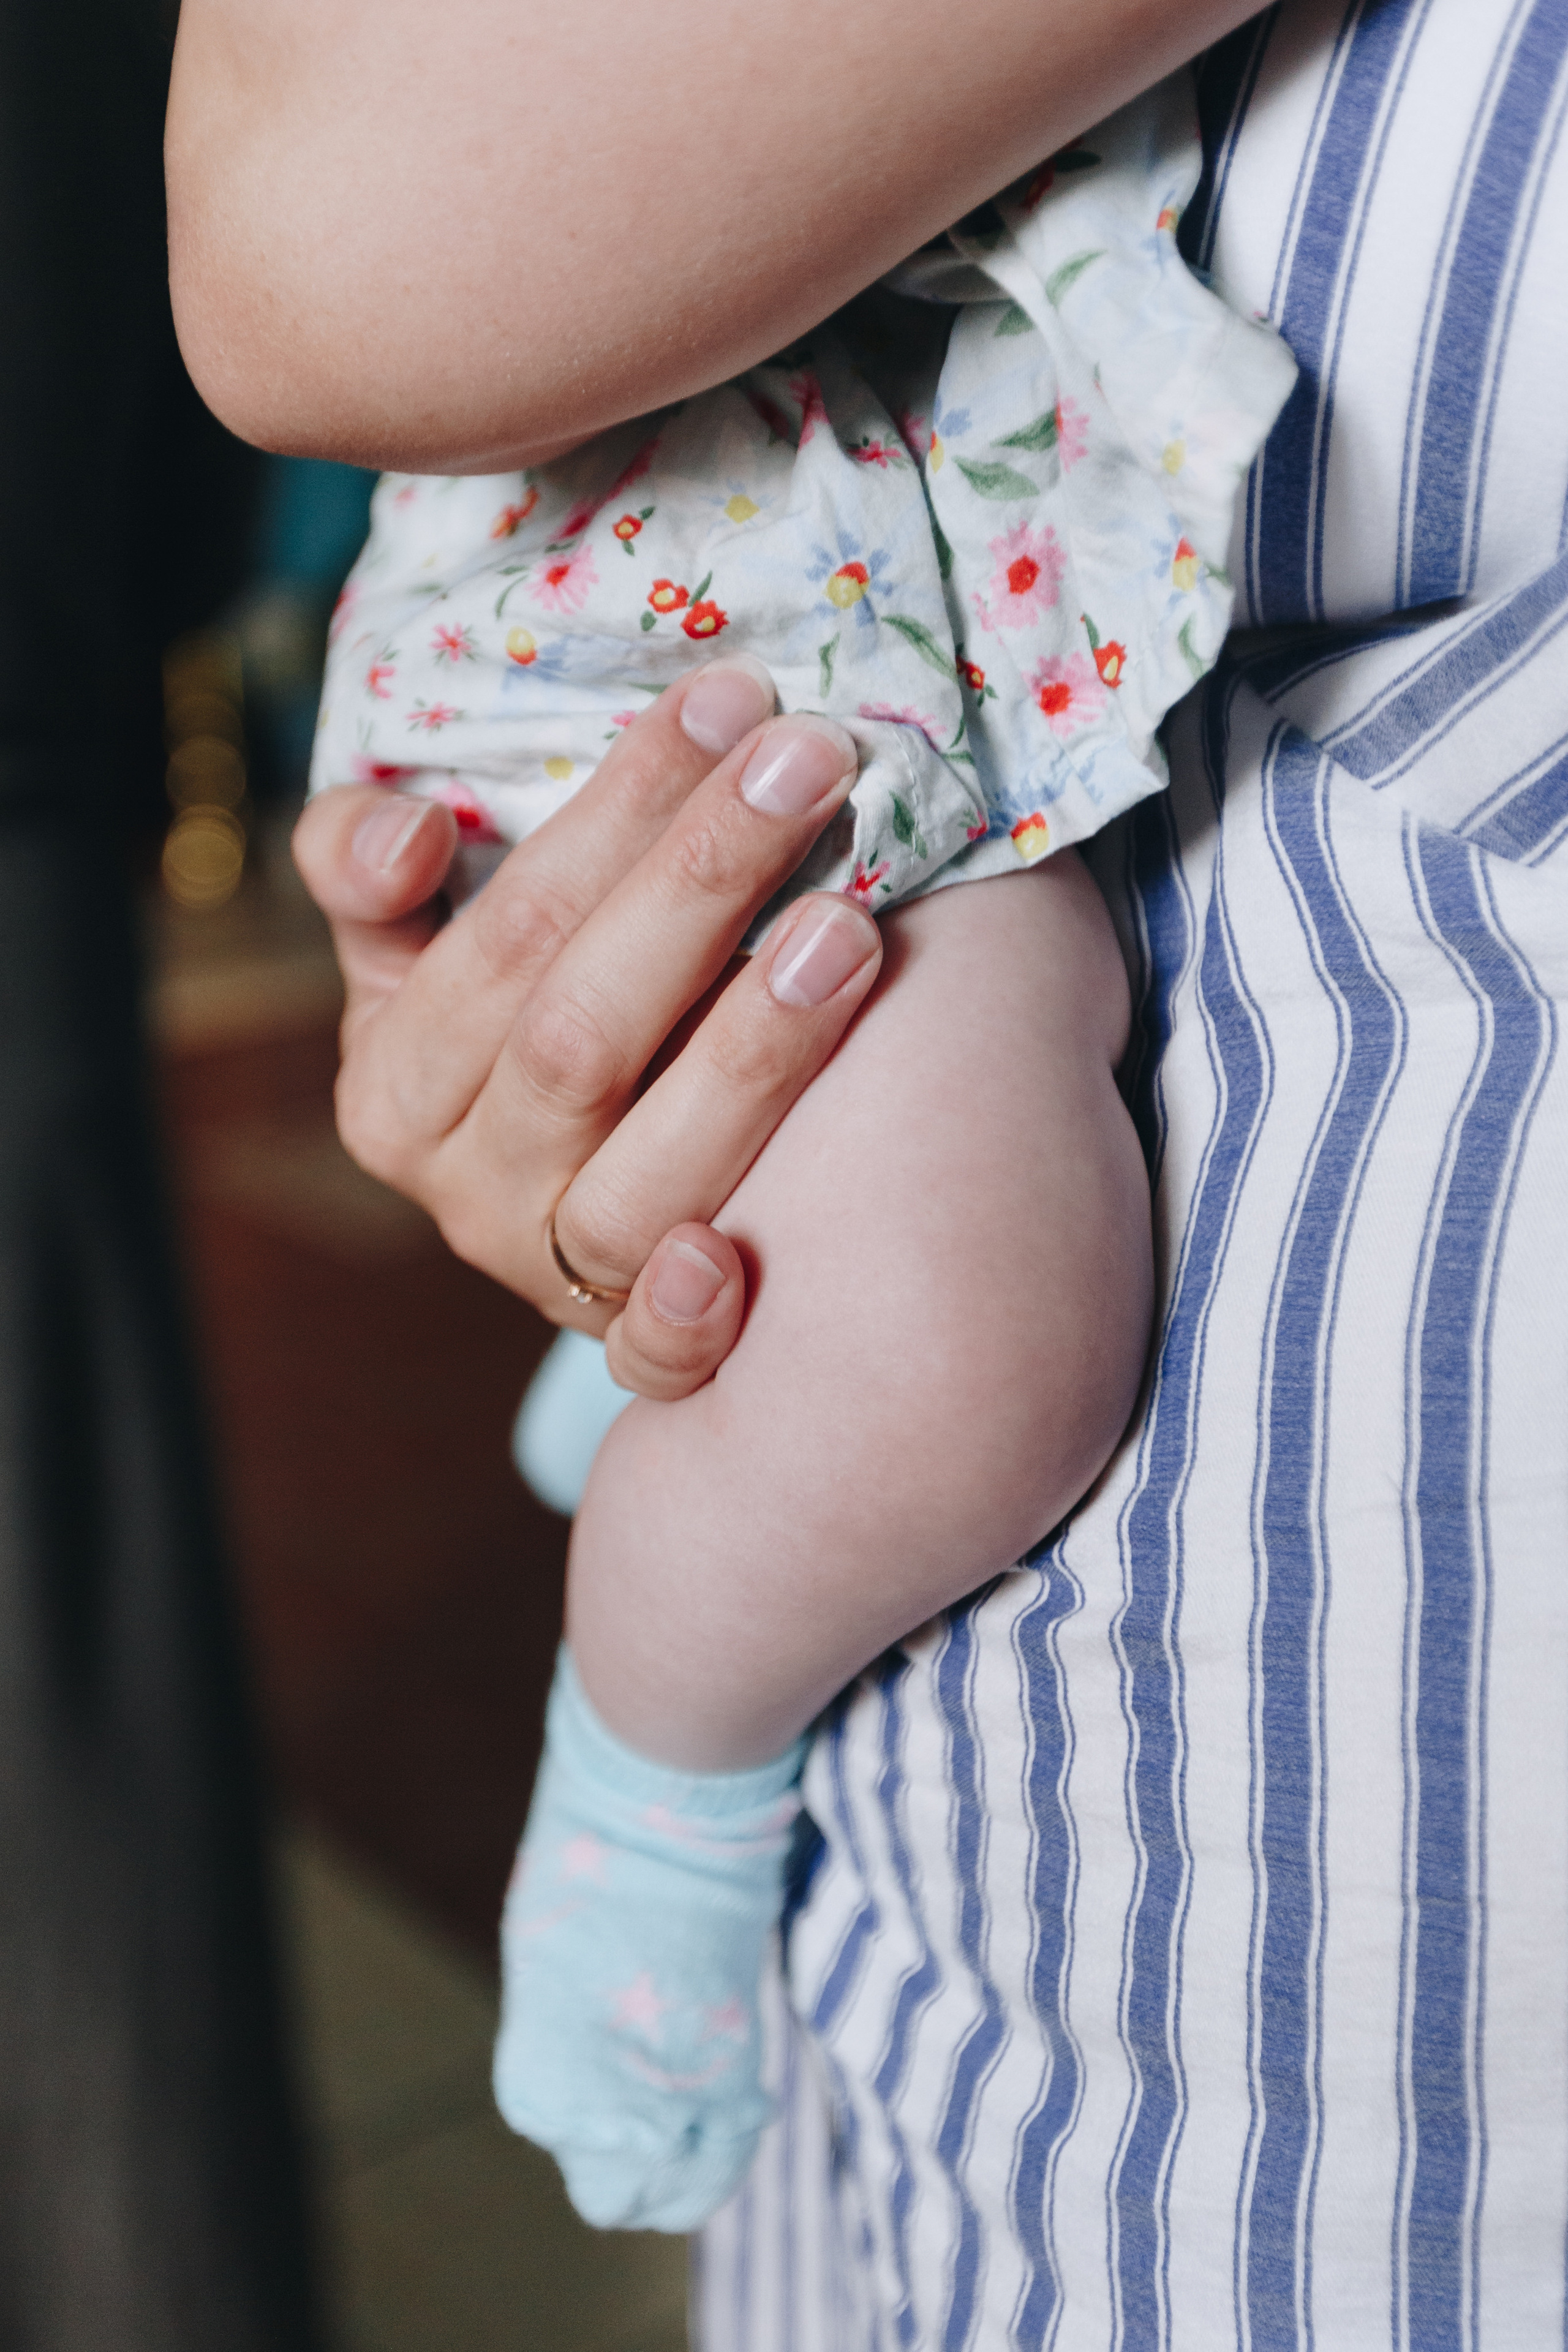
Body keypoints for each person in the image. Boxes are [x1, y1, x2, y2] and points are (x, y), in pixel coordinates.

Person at [169, 0, 1568, 2339]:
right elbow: (326, 245)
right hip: (804, 576)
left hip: (939, 576)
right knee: (939, 1363)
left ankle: (689, 1448)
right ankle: (654, 1776)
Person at [304, 83, 1293, 2230]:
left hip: (856, 568)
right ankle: (657, 1782)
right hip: (755, 634)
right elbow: (295, 278)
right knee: (948, 1353)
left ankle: (712, 1391)